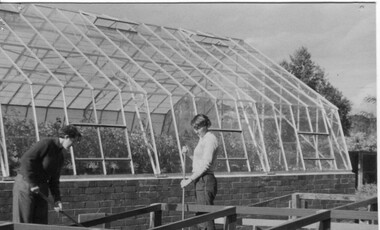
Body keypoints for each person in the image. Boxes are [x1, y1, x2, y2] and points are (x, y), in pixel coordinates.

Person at [12, 124, 82, 224]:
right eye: (73, 141)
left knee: (40, 222)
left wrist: (57, 200)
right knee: (24, 221)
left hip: (41, 188)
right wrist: (32, 184)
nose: (73, 145)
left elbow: (54, 180)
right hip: (26, 185)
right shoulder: (46, 143)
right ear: (66, 137)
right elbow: (26, 160)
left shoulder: (60, 156)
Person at [181, 114, 219, 230]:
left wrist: (189, 180)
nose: (196, 131)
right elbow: (200, 162)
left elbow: (206, 164)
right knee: (201, 216)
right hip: (201, 179)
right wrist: (188, 154)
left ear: (206, 124)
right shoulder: (203, 139)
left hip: (205, 180)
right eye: (194, 128)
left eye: (198, 127)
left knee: (205, 218)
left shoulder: (210, 139)